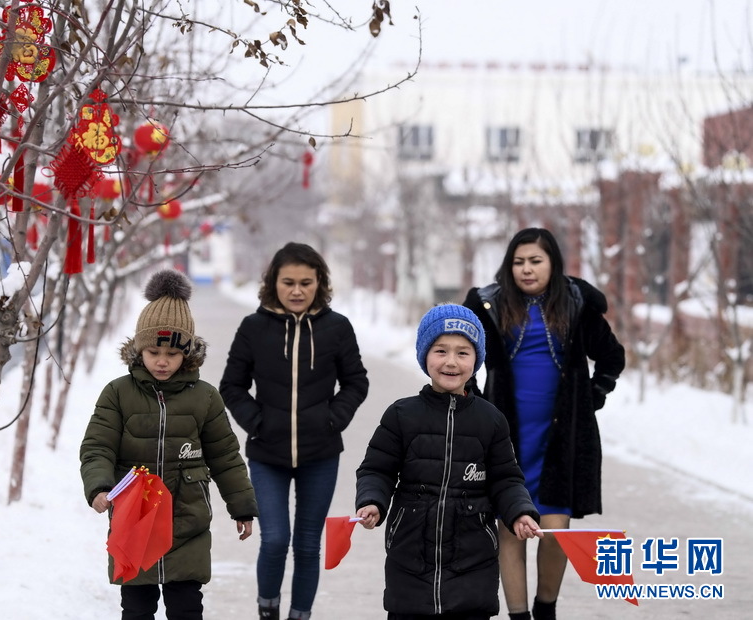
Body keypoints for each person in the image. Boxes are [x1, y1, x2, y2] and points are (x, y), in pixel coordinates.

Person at [462, 227, 626, 620]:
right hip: (506, 437)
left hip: (561, 437)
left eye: (535, 261)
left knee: (556, 530)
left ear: (552, 263)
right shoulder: (488, 304)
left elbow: (612, 357)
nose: (526, 269)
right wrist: (475, 404)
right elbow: (464, 354)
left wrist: (591, 398)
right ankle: (518, 615)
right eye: (518, 262)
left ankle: (545, 608)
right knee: (509, 528)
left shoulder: (576, 303)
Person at [80, 268, 258, 620]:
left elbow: (225, 455)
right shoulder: (118, 393)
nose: (162, 361)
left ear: (187, 355)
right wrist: (99, 486)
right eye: (154, 351)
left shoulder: (205, 397)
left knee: (187, 607)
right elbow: (97, 446)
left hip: (186, 518)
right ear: (139, 349)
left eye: (173, 354)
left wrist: (241, 505)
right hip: (134, 519)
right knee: (137, 608)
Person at [355, 303, 543, 620]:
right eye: (441, 351)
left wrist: (520, 512)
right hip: (410, 557)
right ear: (425, 356)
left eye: (463, 352)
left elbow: (506, 480)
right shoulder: (402, 414)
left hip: (473, 559)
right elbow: (377, 469)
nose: (451, 362)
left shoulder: (491, 420)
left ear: (476, 360)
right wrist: (373, 500)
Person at [219, 242, 369, 620]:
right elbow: (232, 386)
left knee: (306, 545)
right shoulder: (254, 328)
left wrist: (333, 419)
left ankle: (300, 615)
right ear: (274, 283)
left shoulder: (337, 328)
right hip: (267, 455)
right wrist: (257, 423)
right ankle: (267, 612)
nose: (297, 290)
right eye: (289, 282)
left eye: (306, 282)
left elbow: (356, 382)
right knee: (274, 541)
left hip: (321, 455)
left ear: (320, 283)